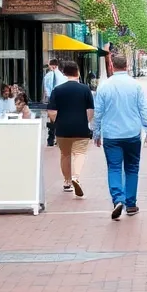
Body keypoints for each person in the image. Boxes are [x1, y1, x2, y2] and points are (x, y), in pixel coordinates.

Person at [93, 54, 147, 220]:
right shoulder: (136, 86)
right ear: (127, 65)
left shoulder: (104, 86)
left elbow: (98, 112)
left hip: (111, 135)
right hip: (132, 133)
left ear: (112, 65)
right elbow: (143, 109)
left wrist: (96, 132)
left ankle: (118, 199)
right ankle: (131, 204)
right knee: (132, 168)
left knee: (114, 167)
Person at [47, 60, 94, 197]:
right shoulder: (85, 89)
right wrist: (86, 121)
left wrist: (59, 121)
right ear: (77, 72)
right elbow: (90, 110)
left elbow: (51, 111)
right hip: (81, 128)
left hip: (62, 129)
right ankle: (76, 176)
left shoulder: (57, 90)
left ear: (64, 73)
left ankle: (67, 181)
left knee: (65, 154)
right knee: (79, 153)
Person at [42, 59, 65, 146]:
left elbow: (46, 88)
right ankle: (57, 137)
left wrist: (50, 97)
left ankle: (51, 137)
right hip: (60, 98)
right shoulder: (62, 76)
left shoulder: (48, 76)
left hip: (52, 98)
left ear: (52, 66)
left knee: (52, 118)